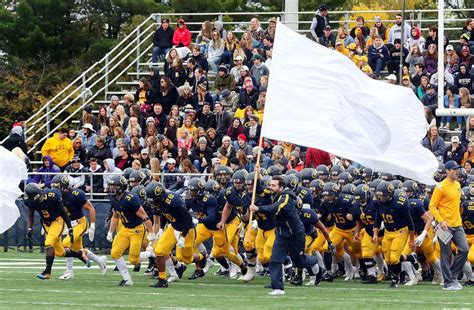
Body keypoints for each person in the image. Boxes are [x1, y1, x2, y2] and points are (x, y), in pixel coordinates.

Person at [249, 176, 317, 295]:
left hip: (295, 234)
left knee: (299, 261)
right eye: (270, 185)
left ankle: (314, 261)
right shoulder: (273, 192)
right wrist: (257, 177)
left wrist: (258, 208)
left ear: (281, 187)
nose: (270, 187)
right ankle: (278, 288)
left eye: (273, 185)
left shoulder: (287, 197)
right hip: (281, 234)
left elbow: (277, 208)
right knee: (275, 260)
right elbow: (260, 189)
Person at [24, 183, 89, 280]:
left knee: (48, 242)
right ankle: (80, 254)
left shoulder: (53, 195)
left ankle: (47, 272)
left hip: (57, 221)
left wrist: (70, 228)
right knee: (60, 252)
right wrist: (29, 228)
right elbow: (31, 215)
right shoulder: (29, 201)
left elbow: (63, 212)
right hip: (46, 224)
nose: (41, 199)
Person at [50, 175, 107, 280]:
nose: (55, 189)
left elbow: (91, 208)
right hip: (68, 225)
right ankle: (100, 261)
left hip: (80, 223)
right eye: (53, 186)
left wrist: (93, 226)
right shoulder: (55, 196)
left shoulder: (75, 194)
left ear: (64, 186)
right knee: (77, 250)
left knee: (66, 244)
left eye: (57, 186)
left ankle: (69, 271)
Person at [145, 182, 195, 287]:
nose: (152, 203)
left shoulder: (173, 200)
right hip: (173, 227)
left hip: (187, 229)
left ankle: (203, 257)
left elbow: (188, 218)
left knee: (187, 259)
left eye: (153, 200)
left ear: (159, 196)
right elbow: (164, 213)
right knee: (159, 251)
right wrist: (162, 228)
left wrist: (183, 236)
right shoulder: (159, 203)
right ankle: (162, 279)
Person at [106, 175, 154, 286]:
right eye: (111, 186)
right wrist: (110, 231)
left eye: (115, 186)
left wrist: (151, 232)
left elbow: (144, 216)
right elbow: (115, 216)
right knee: (115, 253)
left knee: (134, 260)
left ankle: (150, 253)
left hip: (137, 230)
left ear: (121, 186)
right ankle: (127, 279)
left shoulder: (130, 199)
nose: (112, 188)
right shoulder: (113, 198)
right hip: (124, 228)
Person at [429, 160, 469, 290]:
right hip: (443, 226)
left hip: (457, 225)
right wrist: (441, 221)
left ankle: (452, 277)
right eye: (454, 169)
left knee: (464, 249)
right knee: (446, 255)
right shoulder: (440, 187)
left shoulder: (457, 184)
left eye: (458, 169)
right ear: (447, 171)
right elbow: (432, 206)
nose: (457, 171)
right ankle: (448, 283)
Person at [373, 181, 415, 288]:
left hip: (400, 231)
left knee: (393, 259)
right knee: (387, 259)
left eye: (382, 196)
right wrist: (375, 234)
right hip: (388, 232)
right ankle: (409, 259)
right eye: (379, 195)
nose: (380, 198)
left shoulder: (400, 204)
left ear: (389, 195)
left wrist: (411, 239)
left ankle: (396, 279)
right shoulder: (379, 203)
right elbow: (377, 219)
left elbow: (410, 222)